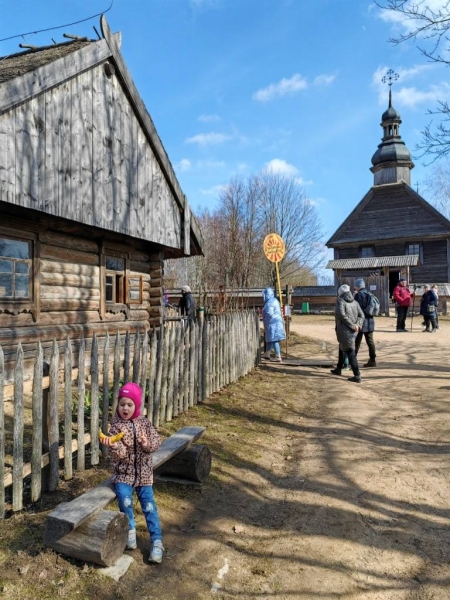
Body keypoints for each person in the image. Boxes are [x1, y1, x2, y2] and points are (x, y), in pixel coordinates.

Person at [99, 382, 164, 563]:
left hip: (144, 474)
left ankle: (157, 541)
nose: (125, 408)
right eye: (122, 404)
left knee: (149, 507)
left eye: (129, 405)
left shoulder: (145, 423)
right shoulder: (116, 426)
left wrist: (145, 444)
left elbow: (156, 443)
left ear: (136, 406)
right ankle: (131, 531)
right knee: (124, 500)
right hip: (123, 475)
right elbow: (119, 456)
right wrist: (113, 446)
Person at [330, 284, 364, 383]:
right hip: (353, 331)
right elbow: (361, 315)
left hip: (345, 330)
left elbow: (341, 315)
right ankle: (339, 368)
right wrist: (358, 324)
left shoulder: (340, 301)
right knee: (342, 347)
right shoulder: (355, 302)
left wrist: (353, 325)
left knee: (350, 351)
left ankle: (357, 375)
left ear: (340, 292)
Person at [353, 278, 377, 368]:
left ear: (357, 286)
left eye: (355, 286)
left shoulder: (358, 295)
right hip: (370, 321)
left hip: (361, 321)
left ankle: (353, 359)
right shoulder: (370, 294)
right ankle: (372, 360)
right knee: (370, 341)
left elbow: (356, 310)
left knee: (357, 341)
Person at [262, 287, 286, 362]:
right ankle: (267, 354)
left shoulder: (270, 303)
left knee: (274, 339)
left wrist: (265, 320)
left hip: (273, 323)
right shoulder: (274, 300)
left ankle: (278, 356)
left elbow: (269, 314)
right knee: (270, 339)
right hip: (276, 322)